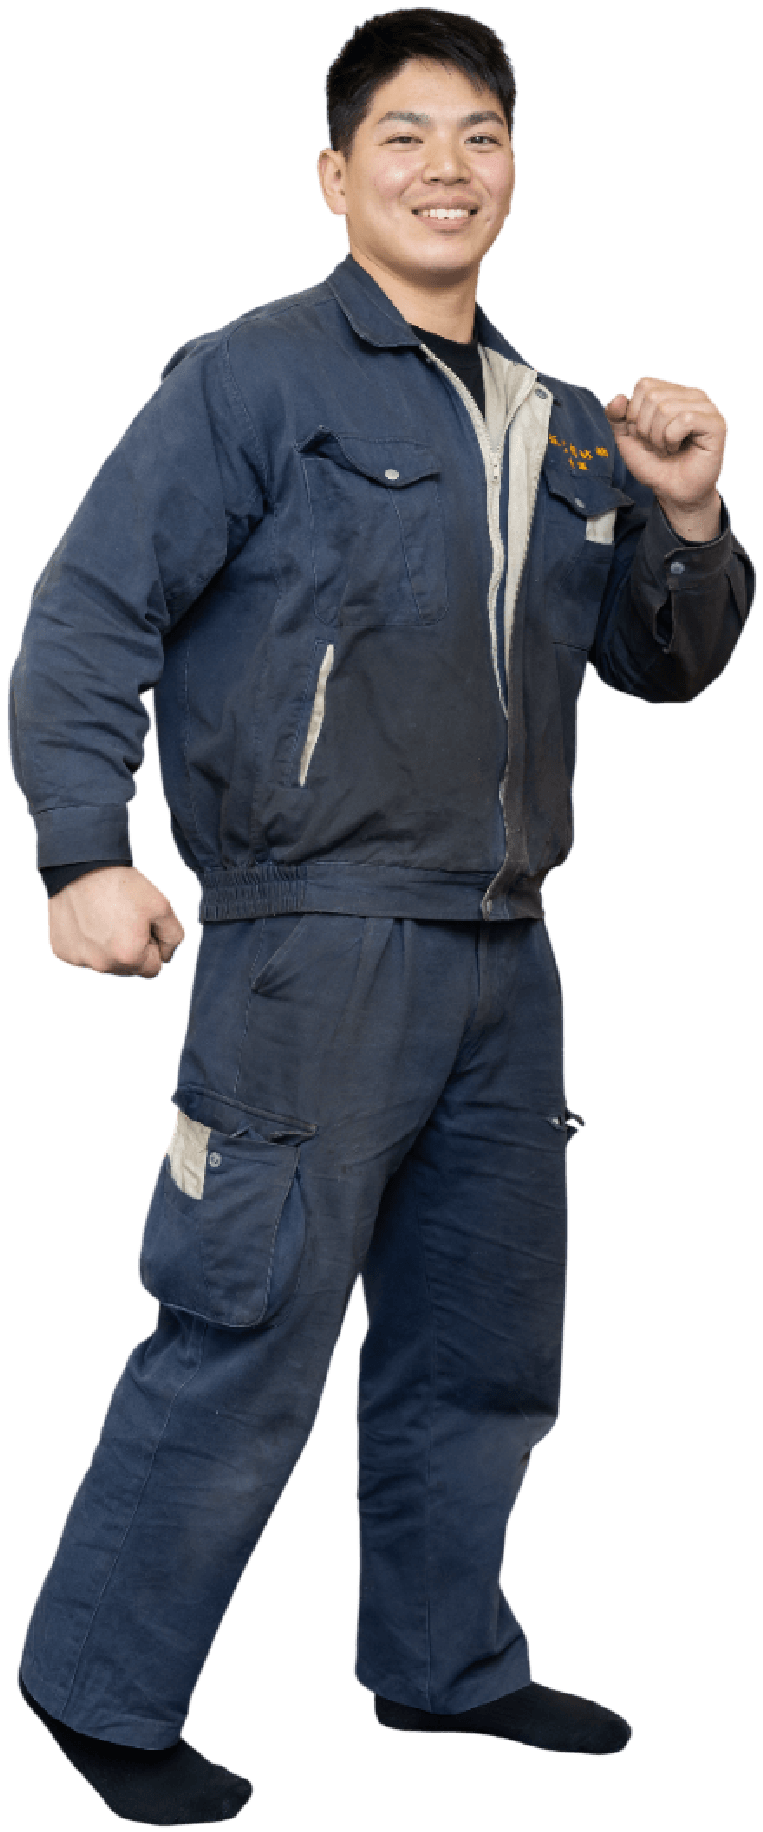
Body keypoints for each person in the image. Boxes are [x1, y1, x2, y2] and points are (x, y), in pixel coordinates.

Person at [8, 8, 755, 1826]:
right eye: (404, 136)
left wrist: (686, 513)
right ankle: (96, 1684)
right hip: (310, 941)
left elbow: (664, 664)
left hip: (508, 951)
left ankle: (444, 1665)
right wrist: (82, 852)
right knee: (247, 1326)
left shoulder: (563, 422)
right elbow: (93, 609)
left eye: (480, 134)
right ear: (336, 177)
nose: (447, 165)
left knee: (481, 1344)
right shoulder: (250, 380)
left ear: (515, 173)